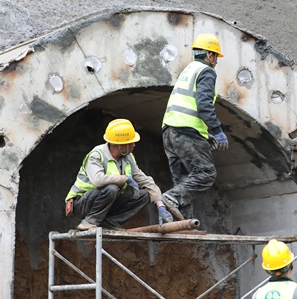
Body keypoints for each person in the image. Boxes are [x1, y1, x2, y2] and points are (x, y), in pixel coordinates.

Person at [161, 32, 229, 219]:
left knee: (184, 180)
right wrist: (217, 130)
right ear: (210, 55)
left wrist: (206, 136)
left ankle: (181, 222)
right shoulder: (206, 71)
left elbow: (187, 104)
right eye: (215, 57)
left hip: (169, 131)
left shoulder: (188, 70)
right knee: (206, 173)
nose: (216, 62)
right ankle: (170, 198)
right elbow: (203, 104)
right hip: (186, 131)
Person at [65, 119, 174, 230]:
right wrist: (125, 178)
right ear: (122, 145)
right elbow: (98, 180)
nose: (134, 145)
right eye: (131, 142)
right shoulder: (96, 155)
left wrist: (160, 204)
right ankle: (89, 222)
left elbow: (145, 180)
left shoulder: (128, 158)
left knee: (144, 195)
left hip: (106, 204)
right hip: (83, 204)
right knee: (111, 188)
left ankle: (110, 222)